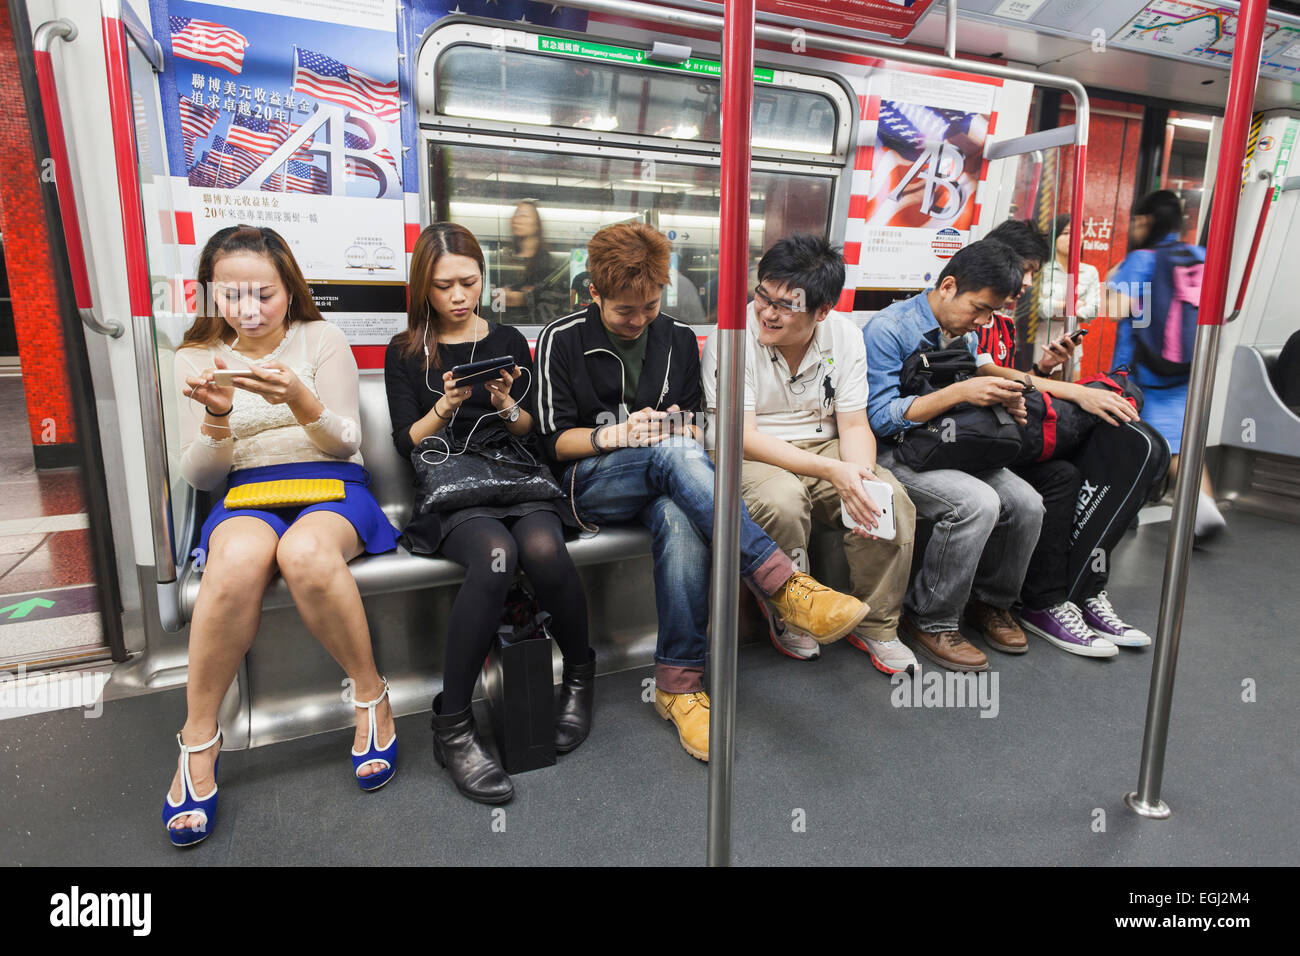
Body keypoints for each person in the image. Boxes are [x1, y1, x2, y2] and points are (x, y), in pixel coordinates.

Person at [534, 222, 871, 762]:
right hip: (591, 482)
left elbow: (696, 425)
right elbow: (552, 442)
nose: (639, 319)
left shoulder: (677, 339)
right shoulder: (562, 338)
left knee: (679, 513)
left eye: (649, 306)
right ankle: (783, 583)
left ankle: (677, 685)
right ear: (592, 293)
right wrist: (618, 434)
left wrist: (678, 428)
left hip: (669, 475)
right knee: (673, 457)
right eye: (625, 310)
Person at [167, 225, 400, 846]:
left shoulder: (320, 338)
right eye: (233, 294)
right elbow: (200, 474)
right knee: (236, 561)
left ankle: (371, 695)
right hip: (246, 492)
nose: (250, 310)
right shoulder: (195, 357)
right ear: (211, 293)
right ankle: (199, 737)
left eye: (265, 294)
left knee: (305, 553)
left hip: (330, 483)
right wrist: (217, 417)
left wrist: (301, 399)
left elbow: (349, 442)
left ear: (288, 290)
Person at [385, 223, 592, 805]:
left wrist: (504, 402)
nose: (458, 296)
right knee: (498, 557)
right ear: (423, 287)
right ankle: (452, 723)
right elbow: (407, 441)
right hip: (451, 478)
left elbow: (534, 432)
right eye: (444, 285)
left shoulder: (507, 338)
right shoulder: (405, 352)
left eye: (469, 282)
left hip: (514, 471)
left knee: (545, 549)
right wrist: (445, 405)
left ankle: (579, 674)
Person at [701, 235, 918, 674]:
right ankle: (790, 611)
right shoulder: (732, 337)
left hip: (824, 443)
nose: (767, 312)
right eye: (762, 295)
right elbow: (741, 436)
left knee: (886, 497)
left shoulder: (845, 337)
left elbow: (855, 424)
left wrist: (857, 476)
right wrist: (831, 470)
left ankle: (876, 623)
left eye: (785, 305)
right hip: (751, 449)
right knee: (783, 499)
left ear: (821, 312)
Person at [864, 240, 1047, 672]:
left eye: (991, 312)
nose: (983, 321)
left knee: (1027, 504)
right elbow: (879, 418)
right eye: (979, 308)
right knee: (976, 503)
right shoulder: (889, 330)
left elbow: (966, 400)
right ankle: (930, 617)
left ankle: (990, 603)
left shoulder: (967, 331)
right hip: (899, 452)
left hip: (952, 444)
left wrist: (1002, 402)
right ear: (947, 286)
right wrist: (960, 392)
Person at [979, 220, 1153, 650]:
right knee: (1090, 441)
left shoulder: (1001, 319)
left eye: (1033, 273)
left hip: (1006, 423)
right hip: (977, 436)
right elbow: (986, 376)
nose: (1026, 283)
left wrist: (1042, 370)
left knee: (1069, 473)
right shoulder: (974, 314)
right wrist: (1075, 392)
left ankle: (1075, 589)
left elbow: (1013, 379)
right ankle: (1047, 598)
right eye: (1025, 270)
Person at [1108, 190, 1224, 542]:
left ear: (1145, 221)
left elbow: (1115, 309)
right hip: (1187, 366)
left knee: (1130, 435)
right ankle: (1205, 509)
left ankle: (1123, 510)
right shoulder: (1200, 257)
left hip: (1140, 370)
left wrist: (1114, 275)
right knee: (1180, 441)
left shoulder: (1142, 260)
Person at [497, 201, 570, 325]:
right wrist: (526, 295)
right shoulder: (504, 261)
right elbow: (496, 298)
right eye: (515, 215)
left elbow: (554, 302)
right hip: (506, 326)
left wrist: (521, 298)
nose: (516, 220)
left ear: (536, 225)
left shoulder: (550, 264)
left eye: (523, 215)